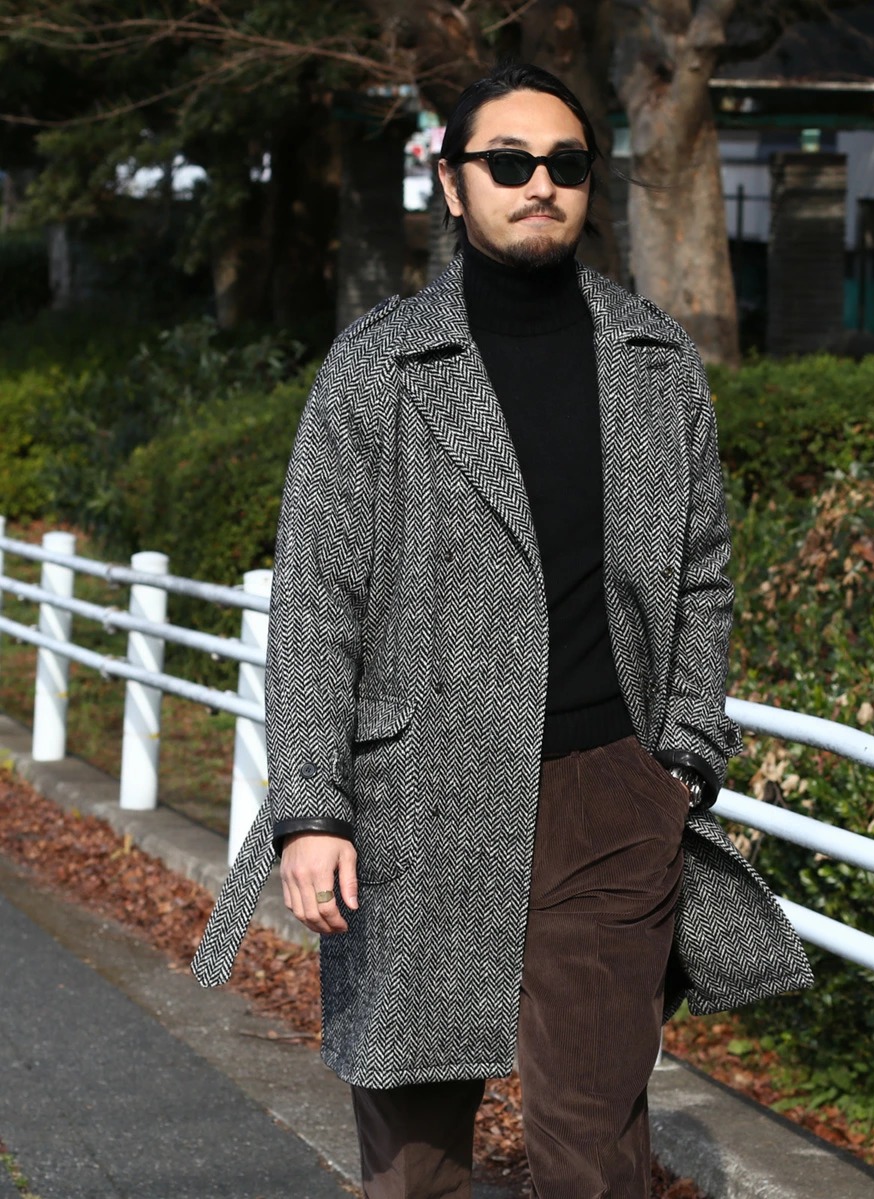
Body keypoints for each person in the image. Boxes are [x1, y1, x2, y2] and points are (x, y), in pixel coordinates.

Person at [193, 61, 811, 1198]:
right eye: (510, 162)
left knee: (596, 1153)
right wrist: (313, 809)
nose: (540, 184)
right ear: (452, 181)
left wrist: (681, 754)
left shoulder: (655, 362)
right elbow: (317, 598)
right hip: (414, 796)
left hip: (608, 797)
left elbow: (704, 575)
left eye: (566, 164)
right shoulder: (378, 366)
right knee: (416, 1163)